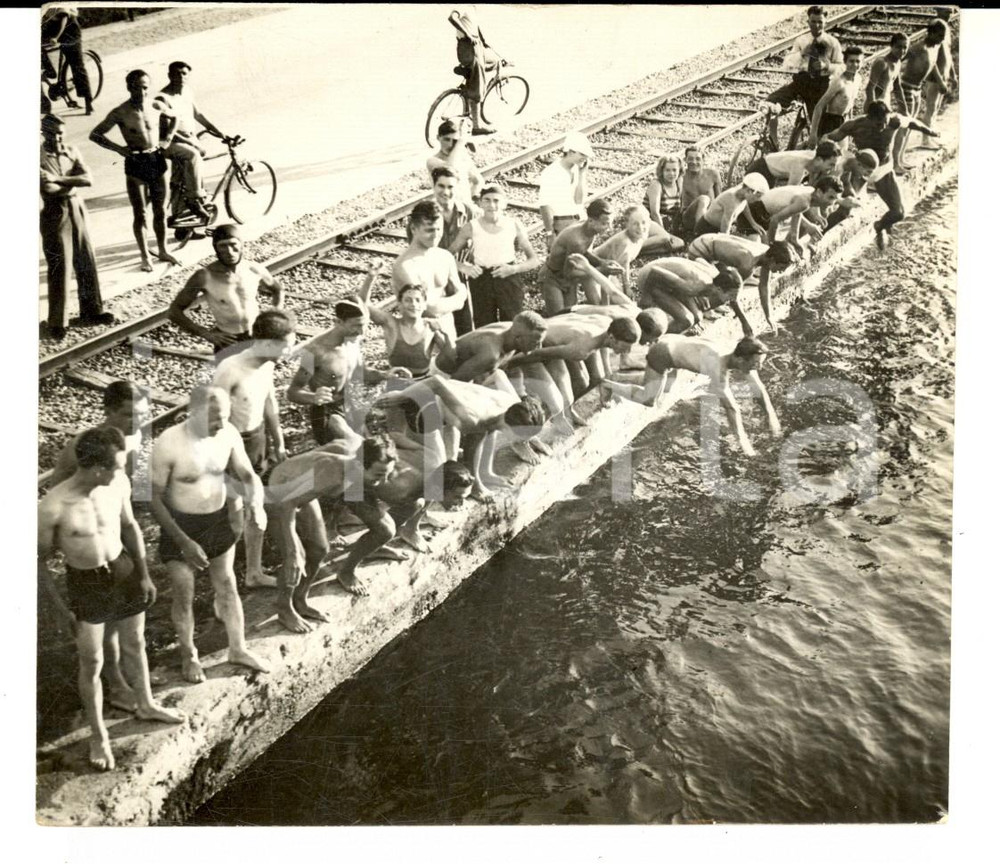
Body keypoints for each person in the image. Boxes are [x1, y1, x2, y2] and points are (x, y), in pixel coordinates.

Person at [38, 428, 186, 771]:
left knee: (135, 641)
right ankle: (98, 736)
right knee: (91, 663)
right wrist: (61, 611)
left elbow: (130, 525)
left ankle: (146, 703)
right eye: (117, 467)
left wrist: (144, 573)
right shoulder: (53, 506)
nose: (122, 473)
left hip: (124, 570)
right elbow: (38, 561)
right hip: (86, 582)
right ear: (96, 469)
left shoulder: (116, 485)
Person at [151, 385, 270, 683]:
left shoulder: (227, 433)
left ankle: (238, 648)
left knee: (227, 583)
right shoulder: (169, 443)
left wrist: (256, 503)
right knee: (184, 591)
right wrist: (183, 541)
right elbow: (151, 498)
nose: (221, 424)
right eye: (215, 419)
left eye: (225, 417)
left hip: (216, 520)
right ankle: (188, 655)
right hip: (182, 526)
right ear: (194, 413)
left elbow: (246, 474)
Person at [49, 382, 152, 717]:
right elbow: (62, 491)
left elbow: (124, 492)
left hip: (115, 538)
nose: (136, 422)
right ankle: (117, 684)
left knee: (127, 622)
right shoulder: (81, 446)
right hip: (84, 542)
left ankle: (129, 687)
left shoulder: (133, 436)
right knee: (102, 626)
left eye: (141, 415)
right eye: (128, 415)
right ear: (108, 412)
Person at [268, 438, 398, 624]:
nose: (383, 481)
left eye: (387, 474)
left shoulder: (357, 454)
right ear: (360, 465)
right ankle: (284, 609)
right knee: (297, 556)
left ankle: (300, 600)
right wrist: (292, 551)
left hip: (299, 490)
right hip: (277, 495)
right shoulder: (331, 475)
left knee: (320, 549)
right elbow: (287, 504)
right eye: (378, 475)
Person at [212, 310, 297, 587]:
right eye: (286, 346)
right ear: (267, 343)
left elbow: (268, 403)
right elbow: (214, 418)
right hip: (233, 444)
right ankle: (223, 574)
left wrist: (279, 441)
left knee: (254, 506)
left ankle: (253, 571)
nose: (289, 352)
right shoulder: (229, 370)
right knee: (237, 514)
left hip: (258, 439)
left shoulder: (268, 364)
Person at [607, 335, 781, 457]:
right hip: (662, 353)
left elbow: (758, 387)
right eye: (756, 364)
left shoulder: (738, 350)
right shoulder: (718, 367)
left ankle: (619, 378)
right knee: (649, 399)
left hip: (673, 342)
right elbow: (731, 408)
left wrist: (771, 416)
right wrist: (743, 442)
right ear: (742, 360)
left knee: (664, 389)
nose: (758, 368)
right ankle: (605, 384)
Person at [378, 378, 546, 499]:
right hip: (416, 400)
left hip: (442, 409)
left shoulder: (513, 405)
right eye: (522, 437)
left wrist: (479, 479)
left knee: (450, 469)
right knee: (435, 465)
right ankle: (413, 518)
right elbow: (436, 381)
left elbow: (499, 374)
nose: (523, 441)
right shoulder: (473, 419)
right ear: (509, 426)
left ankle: (444, 495)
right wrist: (401, 397)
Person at [89, 69, 182, 273]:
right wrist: (119, 149)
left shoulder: (156, 105)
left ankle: (163, 250)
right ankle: (145, 256)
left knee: (160, 210)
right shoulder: (120, 112)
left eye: (145, 87)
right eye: (137, 87)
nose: (142, 91)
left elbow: (175, 117)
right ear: (129, 87)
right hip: (136, 162)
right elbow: (95, 134)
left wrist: (167, 139)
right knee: (140, 213)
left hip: (156, 158)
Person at [823, 101, 938, 249]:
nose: (883, 127)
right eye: (878, 124)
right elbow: (832, 137)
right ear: (869, 118)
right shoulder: (855, 125)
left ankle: (879, 226)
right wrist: (816, 140)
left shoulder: (894, 121)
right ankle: (819, 233)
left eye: (885, 122)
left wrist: (930, 131)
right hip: (861, 170)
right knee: (845, 210)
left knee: (898, 213)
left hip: (883, 170)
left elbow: (913, 123)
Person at [40, 113, 114, 341]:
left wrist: (60, 179)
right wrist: (72, 182)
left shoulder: (71, 150)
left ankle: (92, 310)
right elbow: (48, 190)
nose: (59, 138)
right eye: (53, 133)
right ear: (44, 133)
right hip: (55, 211)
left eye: (61, 132)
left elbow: (88, 179)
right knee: (59, 266)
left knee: (86, 259)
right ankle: (57, 322)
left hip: (77, 207)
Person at [168, 223, 284, 355]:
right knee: (230, 375)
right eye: (223, 246)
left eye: (233, 245)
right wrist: (206, 333)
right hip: (228, 341)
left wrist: (273, 317)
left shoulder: (254, 269)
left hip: (257, 335)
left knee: (260, 373)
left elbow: (278, 290)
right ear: (216, 249)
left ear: (241, 245)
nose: (229, 252)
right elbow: (174, 312)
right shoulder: (204, 276)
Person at [288, 298, 384, 445]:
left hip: (349, 405)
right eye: (356, 326)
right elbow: (293, 392)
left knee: (374, 448)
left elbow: (363, 373)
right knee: (359, 449)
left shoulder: (353, 340)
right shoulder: (315, 352)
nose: (361, 331)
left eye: (364, 325)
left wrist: (386, 375)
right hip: (327, 413)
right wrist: (313, 397)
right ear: (338, 322)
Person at [448, 182, 538, 327]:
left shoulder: (513, 225)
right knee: (484, 326)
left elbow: (534, 260)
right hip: (481, 280)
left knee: (512, 324)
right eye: (487, 200)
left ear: (504, 203)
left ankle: (514, 351)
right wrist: (464, 267)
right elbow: (447, 256)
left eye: (496, 200)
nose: (492, 205)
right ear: (480, 203)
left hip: (508, 277)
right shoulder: (471, 227)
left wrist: (513, 269)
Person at [408, 166, 477, 336]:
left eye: (450, 187)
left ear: (458, 187)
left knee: (466, 329)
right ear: (433, 186)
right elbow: (420, 254)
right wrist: (459, 266)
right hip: (433, 281)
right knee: (438, 331)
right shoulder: (421, 214)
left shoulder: (468, 212)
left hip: (463, 279)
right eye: (441, 186)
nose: (446, 192)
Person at [153, 60, 225, 221]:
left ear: (188, 76)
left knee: (187, 175)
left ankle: (185, 222)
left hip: (189, 138)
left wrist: (219, 132)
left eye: (184, 73)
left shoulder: (187, 91)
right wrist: (191, 142)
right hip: (171, 142)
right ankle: (194, 200)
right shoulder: (163, 98)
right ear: (169, 75)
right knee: (193, 156)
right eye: (176, 73)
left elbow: (197, 114)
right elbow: (164, 131)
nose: (180, 77)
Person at [766, 6, 844, 147]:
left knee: (818, 124)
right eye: (813, 22)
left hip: (820, 86)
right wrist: (802, 54)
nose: (816, 25)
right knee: (770, 102)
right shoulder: (801, 41)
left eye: (820, 22)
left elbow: (842, 67)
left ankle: (814, 146)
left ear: (826, 21)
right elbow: (787, 64)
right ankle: (773, 142)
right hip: (800, 83)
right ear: (808, 22)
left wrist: (826, 66)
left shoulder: (832, 43)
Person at [392, 200, 470, 340]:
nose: (435, 235)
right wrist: (456, 301)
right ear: (414, 229)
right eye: (429, 230)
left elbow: (461, 298)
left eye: (439, 229)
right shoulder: (405, 266)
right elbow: (428, 309)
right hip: (418, 341)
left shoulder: (445, 257)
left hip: (447, 334)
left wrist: (449, 302)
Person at [357, 264, 451, 379]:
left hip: (422, 382)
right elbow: (363, 304)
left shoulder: (430, 327)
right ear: (399, 305)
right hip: (396, 381)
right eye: (408, 300)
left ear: (424, 305)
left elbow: (452, 357)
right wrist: (371, 277)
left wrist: (445, 333)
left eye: (418, 300)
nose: (413, 305)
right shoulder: (391, 323)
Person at [540, 198, 623, 315]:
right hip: (553, 278)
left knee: (570, 316)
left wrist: (601, 262)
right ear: (591, 221)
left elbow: (584, 252)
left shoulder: (589, 231)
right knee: (557, 318)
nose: (608, 228)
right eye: (604, 223)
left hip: (568, 280)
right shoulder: (576, 239)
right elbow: (568, 273)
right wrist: (600, 270)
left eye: (609, 223)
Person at [637, 258, 751, 336]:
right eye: (730, 296)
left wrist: (744, 322)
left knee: (697, 317)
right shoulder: (694, 286)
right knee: (686, 321)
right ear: (719, 289)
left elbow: (698, 259)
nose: (732, 300)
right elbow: (654, 272)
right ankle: (652, 336)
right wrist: (645, 299)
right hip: (649, 278)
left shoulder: (718, 278)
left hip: (668, 281)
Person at [894, 19, 949, 171]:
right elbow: (897, 60)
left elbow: (933, 65)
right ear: (930, 33)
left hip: (917, 89)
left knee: (910, 126)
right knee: (904, 126)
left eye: (943, 35)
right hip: (907, 88)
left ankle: (901, 159)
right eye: (939, 35)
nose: (942, 39)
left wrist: (940, 82)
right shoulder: (918, 48)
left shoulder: (934, 47)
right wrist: (892, 81)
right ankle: (895, 162)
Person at [735, 177, 843, 254]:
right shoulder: (804, 201)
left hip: (763, 212)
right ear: (819, 192)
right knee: (757, 249)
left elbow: (796, 213)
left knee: (764, 245)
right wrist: (772, 247)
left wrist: (794, 238)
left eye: (835, 199)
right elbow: (774, 220)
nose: (832, 203)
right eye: (831, 198)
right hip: (754, 210)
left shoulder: (809, 192)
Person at [448, 7, 499, 135]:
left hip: (477, 45)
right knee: (478, 84)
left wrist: (483, 40)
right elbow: (452, 18)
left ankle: (470, 83)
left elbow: (474, 24)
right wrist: (469, 35)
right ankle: (476, 127)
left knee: (496, 61)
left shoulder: (472, 7)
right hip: (468, 47)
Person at [538, 131, 593, 249]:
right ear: (570, 151)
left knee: (582, 262)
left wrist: (582, 174)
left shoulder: (578, 169)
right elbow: (544, 206)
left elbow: (579, 200)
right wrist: (550, 233)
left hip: (581, 221)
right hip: (562, 223)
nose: (585, 158)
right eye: (582, 154)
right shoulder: (551, 172)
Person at [41, 5, 93, 114]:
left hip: (70, 30)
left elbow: (64, 19)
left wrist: (56, 37)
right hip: (53, 28)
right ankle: (50, 72)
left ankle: (88, 102)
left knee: (77, 66)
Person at [809, 45, 864, 148]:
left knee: (842, 155)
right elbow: (819, 107)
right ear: (845, 62)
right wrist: (813, 134)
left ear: (862, 62)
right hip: (831, 123)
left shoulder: (858, 79)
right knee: (829, 158)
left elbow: (850, 105)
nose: (855, 65)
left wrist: (850, 128)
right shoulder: (838, 82)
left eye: (858, 61)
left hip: (844, 122)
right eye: (851, 61)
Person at [644, 153, 704, 246]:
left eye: (674, 170)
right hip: (655, 224)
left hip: (672, 223)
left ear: (679, 170)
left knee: (703, 199)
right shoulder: (656, 184)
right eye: (667, 170)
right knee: (679, 244)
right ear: (661, 171)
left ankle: (698, 234)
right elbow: (654, 213)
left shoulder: (679, 181)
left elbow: (681, 208)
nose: (671, 174)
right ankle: (645, 247)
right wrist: (665, 235)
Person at [426, 119, 484, 208]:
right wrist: (461, 142)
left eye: (454, 141)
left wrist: (472, 199)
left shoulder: (462, 157)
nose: (450, 144)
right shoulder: (432, 161)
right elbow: (449, 170)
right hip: (445, 209)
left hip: (464, 209)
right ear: (438, 138)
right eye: (446, 139)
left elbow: (478, 180)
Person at [693, 173, 769, 237]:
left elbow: (744, 205)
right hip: (706, 229)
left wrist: (753, 223)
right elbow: (725, 224)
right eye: (758, 196)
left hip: (718, 228)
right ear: (749, 191)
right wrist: (728, 241)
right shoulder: (731, 199)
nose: (757, 200)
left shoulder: (742, 192)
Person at [919, 21, 955, 150]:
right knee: (931, 108)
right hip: (934, 79)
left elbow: (948, 58)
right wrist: (940, 81)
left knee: (936, 108)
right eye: (941, 34)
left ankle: (931, 135)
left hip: (943, 77)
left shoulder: (941, 40)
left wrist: (953, 75)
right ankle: (925, 139)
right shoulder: (933, 43)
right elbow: (932, 63)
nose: (943, 37)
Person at [744, 141, 841, 189]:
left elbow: (813, 175)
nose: (834, 168)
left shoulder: (814, 156)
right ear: (819, 160)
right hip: (761, 171)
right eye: (831, 164)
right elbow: (789, 194)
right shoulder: (799, 168)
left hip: (771, 168)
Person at [823, 148, 878, 232]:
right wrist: (841, 201)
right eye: (866, 172)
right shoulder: (837, 168)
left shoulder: (850, 162)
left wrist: (854, 197)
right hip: (813, 188)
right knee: (843, 210)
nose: (864, 176)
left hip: (823, 185)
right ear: (859, 164)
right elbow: (823, 192)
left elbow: (846, 182)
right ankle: (821, 231)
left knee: (850, 201)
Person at [864, 32, 908, 112]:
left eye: (905, 47)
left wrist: (905, 110)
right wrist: (873, 110)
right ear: (891, 46)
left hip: (885, 103)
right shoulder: (882, 63)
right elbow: (870, 88)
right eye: (899, 47)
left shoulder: (898, 63)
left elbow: (897, 87)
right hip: (874, 104)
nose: (902, 51)